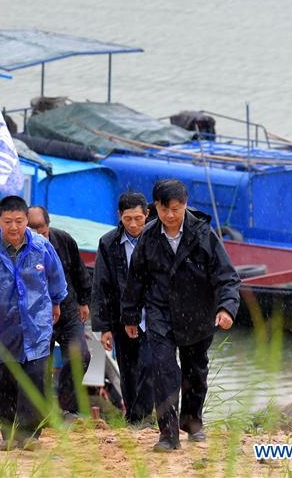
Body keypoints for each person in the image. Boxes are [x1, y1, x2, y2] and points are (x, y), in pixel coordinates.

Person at [121, 179, 240, 452]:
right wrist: (129, 316)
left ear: (185, 205)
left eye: (176, 209)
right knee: (163, 369)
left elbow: (227, 277)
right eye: (165, 210)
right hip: (160, 312)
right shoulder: (149, 238)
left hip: (198, 312)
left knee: (195, 370)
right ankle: (168, 434)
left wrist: (226, 308)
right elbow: (135, 280)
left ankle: (192, 421)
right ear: (156, 209)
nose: (171, 216)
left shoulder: (203, 235)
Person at [0, 195, 67, 451]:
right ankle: (8, 431)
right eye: (8, 221)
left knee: (34, 374)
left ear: (26, 220)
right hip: (1, 325)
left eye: (19, 221)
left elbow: (56, 277)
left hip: (37, 321)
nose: (14, 227)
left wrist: (56, 302)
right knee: (5, 378)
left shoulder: (41, 247)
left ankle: (29, 433)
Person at [91, 191, 154, 425]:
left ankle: (145, 415)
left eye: (138, 218)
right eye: (128, 219)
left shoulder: (156, 238)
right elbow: (101, 285)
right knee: (128, 369)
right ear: (119, 216)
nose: (134, 224)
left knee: (150, 363)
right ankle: (133, 417)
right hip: (121, 315)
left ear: (147, 214)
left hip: (153, 314)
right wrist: (104, 327)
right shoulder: (108, 243)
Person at [26, 205, 91, 419]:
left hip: (68, 308)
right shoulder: (18, 247)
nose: (38, 236)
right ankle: (42, 412)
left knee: (79, 355)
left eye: (42, 231)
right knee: (38, 364)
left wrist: (84, 301)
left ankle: (69, 408)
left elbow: (79, 271)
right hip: (35, 315)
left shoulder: (63, 240)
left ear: (48, 225)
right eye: (32, 231)